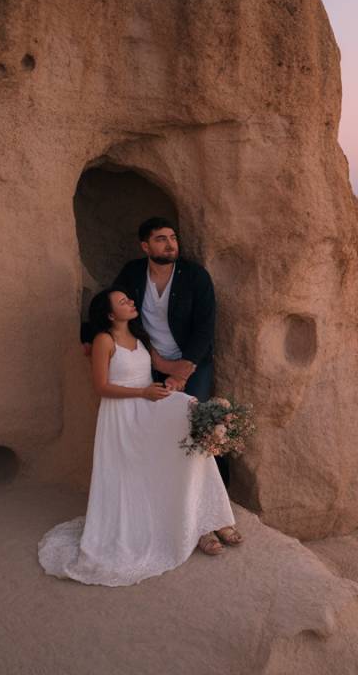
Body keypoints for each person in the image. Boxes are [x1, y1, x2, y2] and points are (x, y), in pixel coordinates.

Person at [39, 288, 242, 586]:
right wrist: (143, 392)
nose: (131, 302)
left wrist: (184, 372)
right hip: (123, 415)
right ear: (110, 314)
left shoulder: (139, 336)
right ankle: (198, 526)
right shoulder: (103, 341)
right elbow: (101, 386)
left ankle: (208, 520)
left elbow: (160, 367)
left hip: (149, 405)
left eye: (129, 299)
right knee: (182, 432)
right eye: (123, 302)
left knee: (192, 420)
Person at [84, 216, 229, 485]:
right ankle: (165, 489)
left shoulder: (195, 276)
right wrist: (89, 335)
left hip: (192, 361)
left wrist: (183, 370)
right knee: (157, 427)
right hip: (150, 363)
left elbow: (205, 327)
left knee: (198, 424)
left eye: (173, 238)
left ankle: (216, 492)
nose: (170, 245)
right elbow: (112, 306)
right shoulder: (133, 273)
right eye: (161, 239)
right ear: (145, 247)